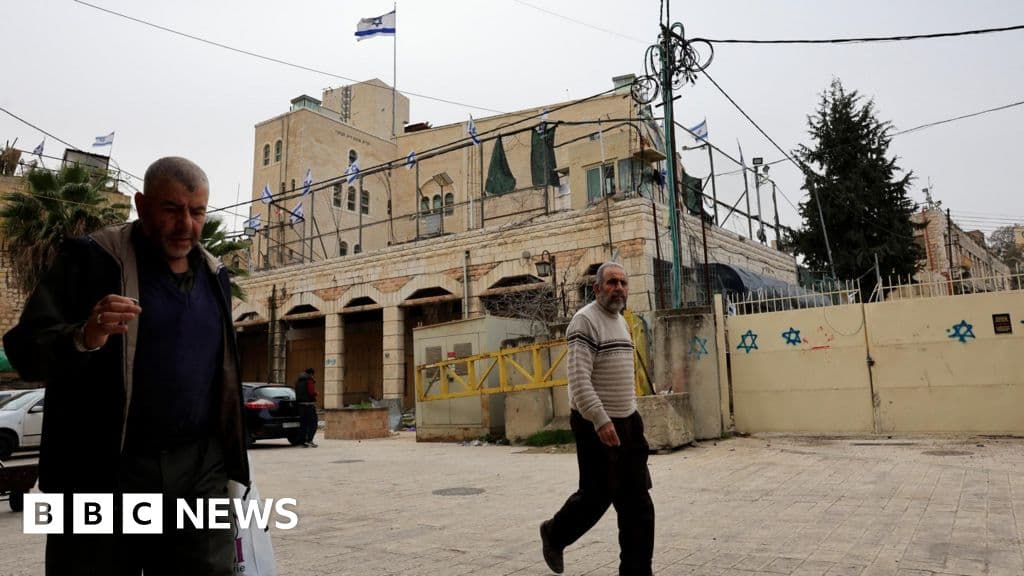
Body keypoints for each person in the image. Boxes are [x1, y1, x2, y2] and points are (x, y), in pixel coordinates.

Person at [4, 156, 249, 576]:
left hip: (199, 470)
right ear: (141, 204)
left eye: (197, 212)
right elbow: (24, 349)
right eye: (171, 209)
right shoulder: (93, 260)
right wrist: (84, 335)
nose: (185, 224)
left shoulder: (214, 273)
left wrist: (229, 460)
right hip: (105, 470)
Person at [539, 262, 655, 576]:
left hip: (628, 422)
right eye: (611, 282)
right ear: (597, 288)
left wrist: (631, 414)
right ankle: (555, 533)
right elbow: (578, 380)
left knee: (638, 504)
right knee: (596, 496)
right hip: (596, 423)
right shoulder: (584, 322)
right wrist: (601, 420)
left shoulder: (621, 321)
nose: (618, 288)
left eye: (623, 283)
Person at [295, 367, 319, 447]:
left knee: (303, 424)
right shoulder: (309, 380)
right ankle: (309, 440)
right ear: (311, 374)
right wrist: (315, 394)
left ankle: (302, 442)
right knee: (313, 423)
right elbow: (311, 392)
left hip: (300, 405)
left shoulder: (298, 381)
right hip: (308, 405)